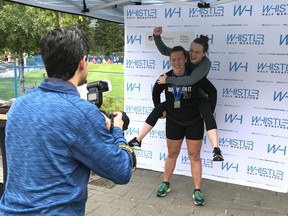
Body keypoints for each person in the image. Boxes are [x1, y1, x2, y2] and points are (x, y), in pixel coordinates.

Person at [0, 26, 136, 215]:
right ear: (83, 62)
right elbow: (122, 171)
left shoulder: (18, 105)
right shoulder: (81, 114)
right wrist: (118, 132)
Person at [128, 27, 223, 162]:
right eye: (191, 50)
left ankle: (216, 149)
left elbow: (191, 81)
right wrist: (156, 36)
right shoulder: (185, 55)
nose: (192, 55)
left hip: (198, 96)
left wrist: (167, 80)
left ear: (204, 54)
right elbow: (166, 51)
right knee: (160, 108)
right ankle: (138, 139)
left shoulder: (206, 63)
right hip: (182, 96)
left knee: (207, 112)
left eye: (197, 52)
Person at [153, 46, 216, 206]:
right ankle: (165, 183)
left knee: (194, 156)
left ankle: (197, 190)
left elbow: (212, 92)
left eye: (180, 59)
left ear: (185, 59)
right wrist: (160, 110)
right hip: (174, 121)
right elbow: (155, 92)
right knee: (172, 154)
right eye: (173, 60)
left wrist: (207, 112)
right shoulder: (165, 77)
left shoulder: (194, 77)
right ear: (170, 61)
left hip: (194, 122)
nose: (177, 62)